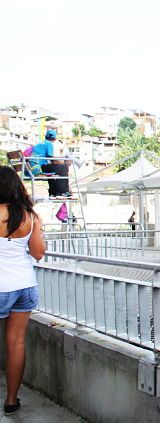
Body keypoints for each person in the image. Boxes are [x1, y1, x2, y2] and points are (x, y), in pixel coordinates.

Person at [0, 166, 46, 416]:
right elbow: (38, 253)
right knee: (16, 344)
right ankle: (10, 400)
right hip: (24, 286)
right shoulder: (30, 216)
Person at [30, 129, 71, 198]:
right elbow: (52, 159)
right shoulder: (49, 144)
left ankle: (53, 193)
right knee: (63, 167)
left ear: (46, 136)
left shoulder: (41, 143)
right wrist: (64, 162)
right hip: (38, 168)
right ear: (54, 139)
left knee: (53, 170)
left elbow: (50, 160)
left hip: (33, 168)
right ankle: (63, 192)